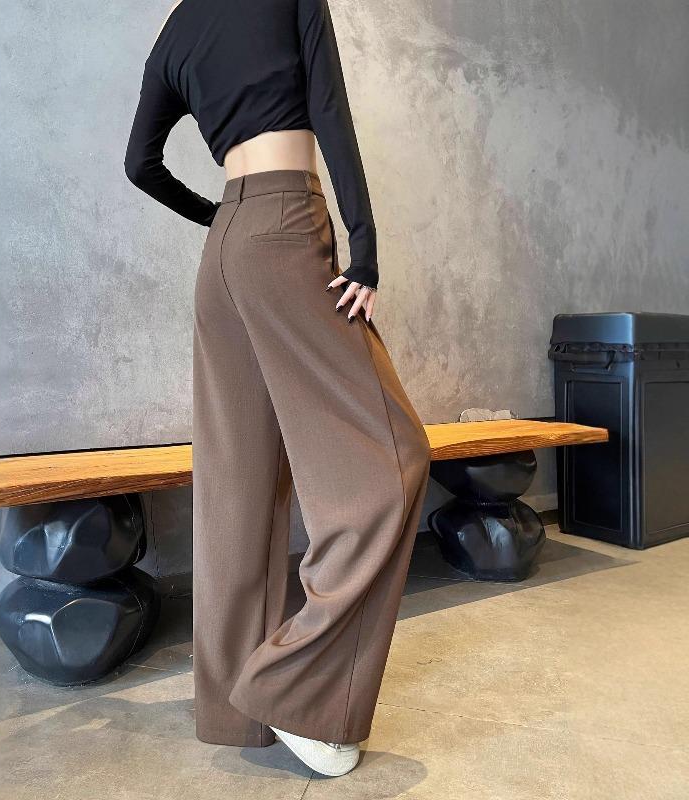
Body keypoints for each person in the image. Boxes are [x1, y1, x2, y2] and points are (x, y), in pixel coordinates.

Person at [124, 0, 431, 778]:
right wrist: (364, 246)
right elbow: (329, 106)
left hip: (225, 253)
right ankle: (294, 692)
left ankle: (234, 710)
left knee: (239, 484)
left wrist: (219, 219)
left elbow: (139, 164)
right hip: (288, 224)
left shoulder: (174, 31)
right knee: (394, 455)